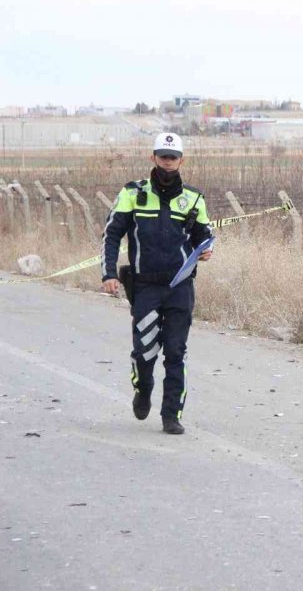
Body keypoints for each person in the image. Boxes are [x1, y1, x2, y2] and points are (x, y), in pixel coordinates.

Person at [101, 132, 214, 435]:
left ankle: (171, 415)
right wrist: (109, 273)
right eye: (163, 156)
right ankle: (143, 388)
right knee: (145, 351)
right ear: (153, 157)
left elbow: (204, 236)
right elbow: (111, 235)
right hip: (145, 288)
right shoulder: (132, 193)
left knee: (176, 351)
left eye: (172, 157)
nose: (167, 162)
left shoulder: (194, 198)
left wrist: (206, 249)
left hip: (180, 287)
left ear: (181, 161)